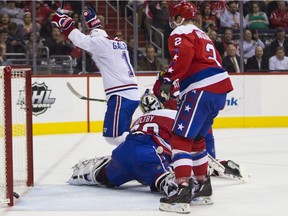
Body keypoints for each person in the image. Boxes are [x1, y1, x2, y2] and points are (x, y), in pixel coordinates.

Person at [153, 1, 233, 213]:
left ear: (180, 17)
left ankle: (182, 190)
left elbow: (184, 55)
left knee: (180, 138)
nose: (173, 21)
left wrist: (168, 79)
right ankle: (203, 185)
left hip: (201, 89)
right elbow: (210, 61)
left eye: (174, 17)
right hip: (219, 89)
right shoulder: (203, 34)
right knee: (197, 139)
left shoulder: (182, 31)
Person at [51, 6, 140, 146]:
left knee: (113, 137)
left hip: (121, 96)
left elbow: (79, 40)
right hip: (130, 95)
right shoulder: (118, 44)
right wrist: (91, 19)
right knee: (123, 134)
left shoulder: (101, 44)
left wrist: (62, 21)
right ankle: (129, 159)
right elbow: (97, 31)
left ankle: (144, 145)